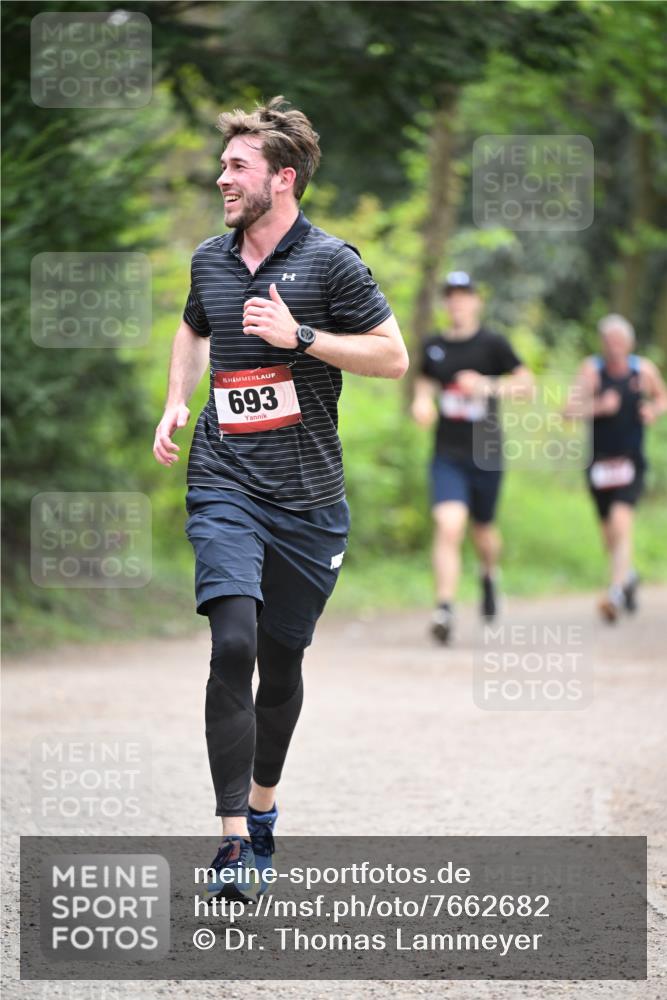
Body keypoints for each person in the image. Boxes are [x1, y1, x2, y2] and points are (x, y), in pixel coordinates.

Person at [153, 97, 407, 901]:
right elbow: (193, 330)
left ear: (282, 179)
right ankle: (232, 840)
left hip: (307, 501)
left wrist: (300, 338)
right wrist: (175, 400)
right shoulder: (209, 259)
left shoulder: (330, 263)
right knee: (232, 642)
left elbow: (391, 357)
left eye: (237, 167)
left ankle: (263, 807)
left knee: (281, 659)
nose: (221, 177)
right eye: (222, 165)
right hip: (224, 479)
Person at [411, 272, 533, 644]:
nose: (457, 303)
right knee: (449, 525)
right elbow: (425, 381)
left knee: (483, 531)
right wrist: (421, 401)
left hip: (486, 453)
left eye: (463, 296)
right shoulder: (435, 346)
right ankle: (444, 608)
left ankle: (488, 575)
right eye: (450, 296)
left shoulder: (493, 343)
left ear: (476, 301)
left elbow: (527, 385)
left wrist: (486, 384)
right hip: (447, 452)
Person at [564, 314, 666, 622]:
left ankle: (615, 592)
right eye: (609, 342)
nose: (615, 348)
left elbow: (662, 397)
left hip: (630, 461)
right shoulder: (591, 370)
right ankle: (628, 577)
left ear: (630, 344)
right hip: (599, 464)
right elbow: (568, 411)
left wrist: (653, 409)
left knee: (622, 521)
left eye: (620, 342)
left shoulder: (642, 370)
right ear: (602, 344)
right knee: (609, 533)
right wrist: (598, 406)